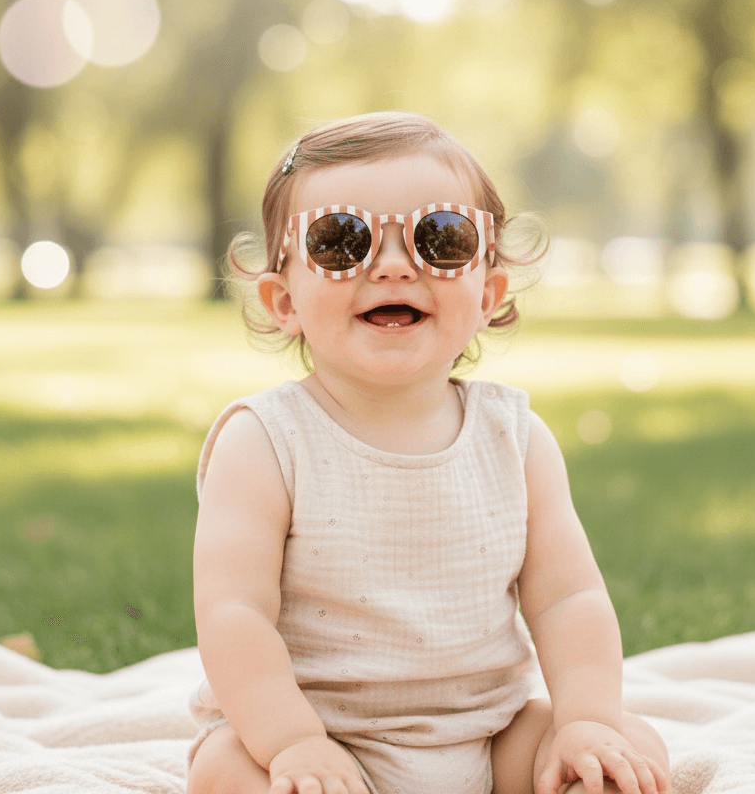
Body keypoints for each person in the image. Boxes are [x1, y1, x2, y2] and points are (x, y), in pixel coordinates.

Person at [186, 112, 670, 794]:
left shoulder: (516, 439)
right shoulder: (263, 443)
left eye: (439, 238)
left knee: (627, 748)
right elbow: (234, 614)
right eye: (339, 240)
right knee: (225, 770)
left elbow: (568, 598)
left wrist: (586, 720)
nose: (390, 265)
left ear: (488, 294)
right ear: (282, 300)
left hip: (489, 735)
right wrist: (292, 743)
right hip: (318, 738)